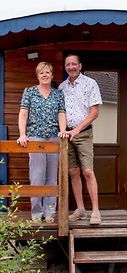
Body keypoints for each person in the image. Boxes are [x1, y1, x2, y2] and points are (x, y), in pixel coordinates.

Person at [17, 61, 67, 223]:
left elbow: (61, 113)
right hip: (35, 138)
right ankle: (37, 214)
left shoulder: (58, 94)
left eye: (47, 72)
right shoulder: (29, 92)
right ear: (37, 76)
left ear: (52, 75)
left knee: (52, 178)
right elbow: (23, 114)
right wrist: (22, 134)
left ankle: (50, 213)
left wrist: (62, 130)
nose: (45, 75)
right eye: (41, 73)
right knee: (37, 176)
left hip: (54, 138)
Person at [59, 54, 102, 225]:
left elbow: (94, 112)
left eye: (74, 64)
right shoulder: (62, 87)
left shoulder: (90, 83)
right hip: (67, 135)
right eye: (68, 64)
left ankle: (96, 211)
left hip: (83, 133)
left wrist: (77, 130)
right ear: (65, 67)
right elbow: (61, 112)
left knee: (88, 172)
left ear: (80, 66)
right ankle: (81, 209)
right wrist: (65, 131)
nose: (71, 67)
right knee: (73, 172)